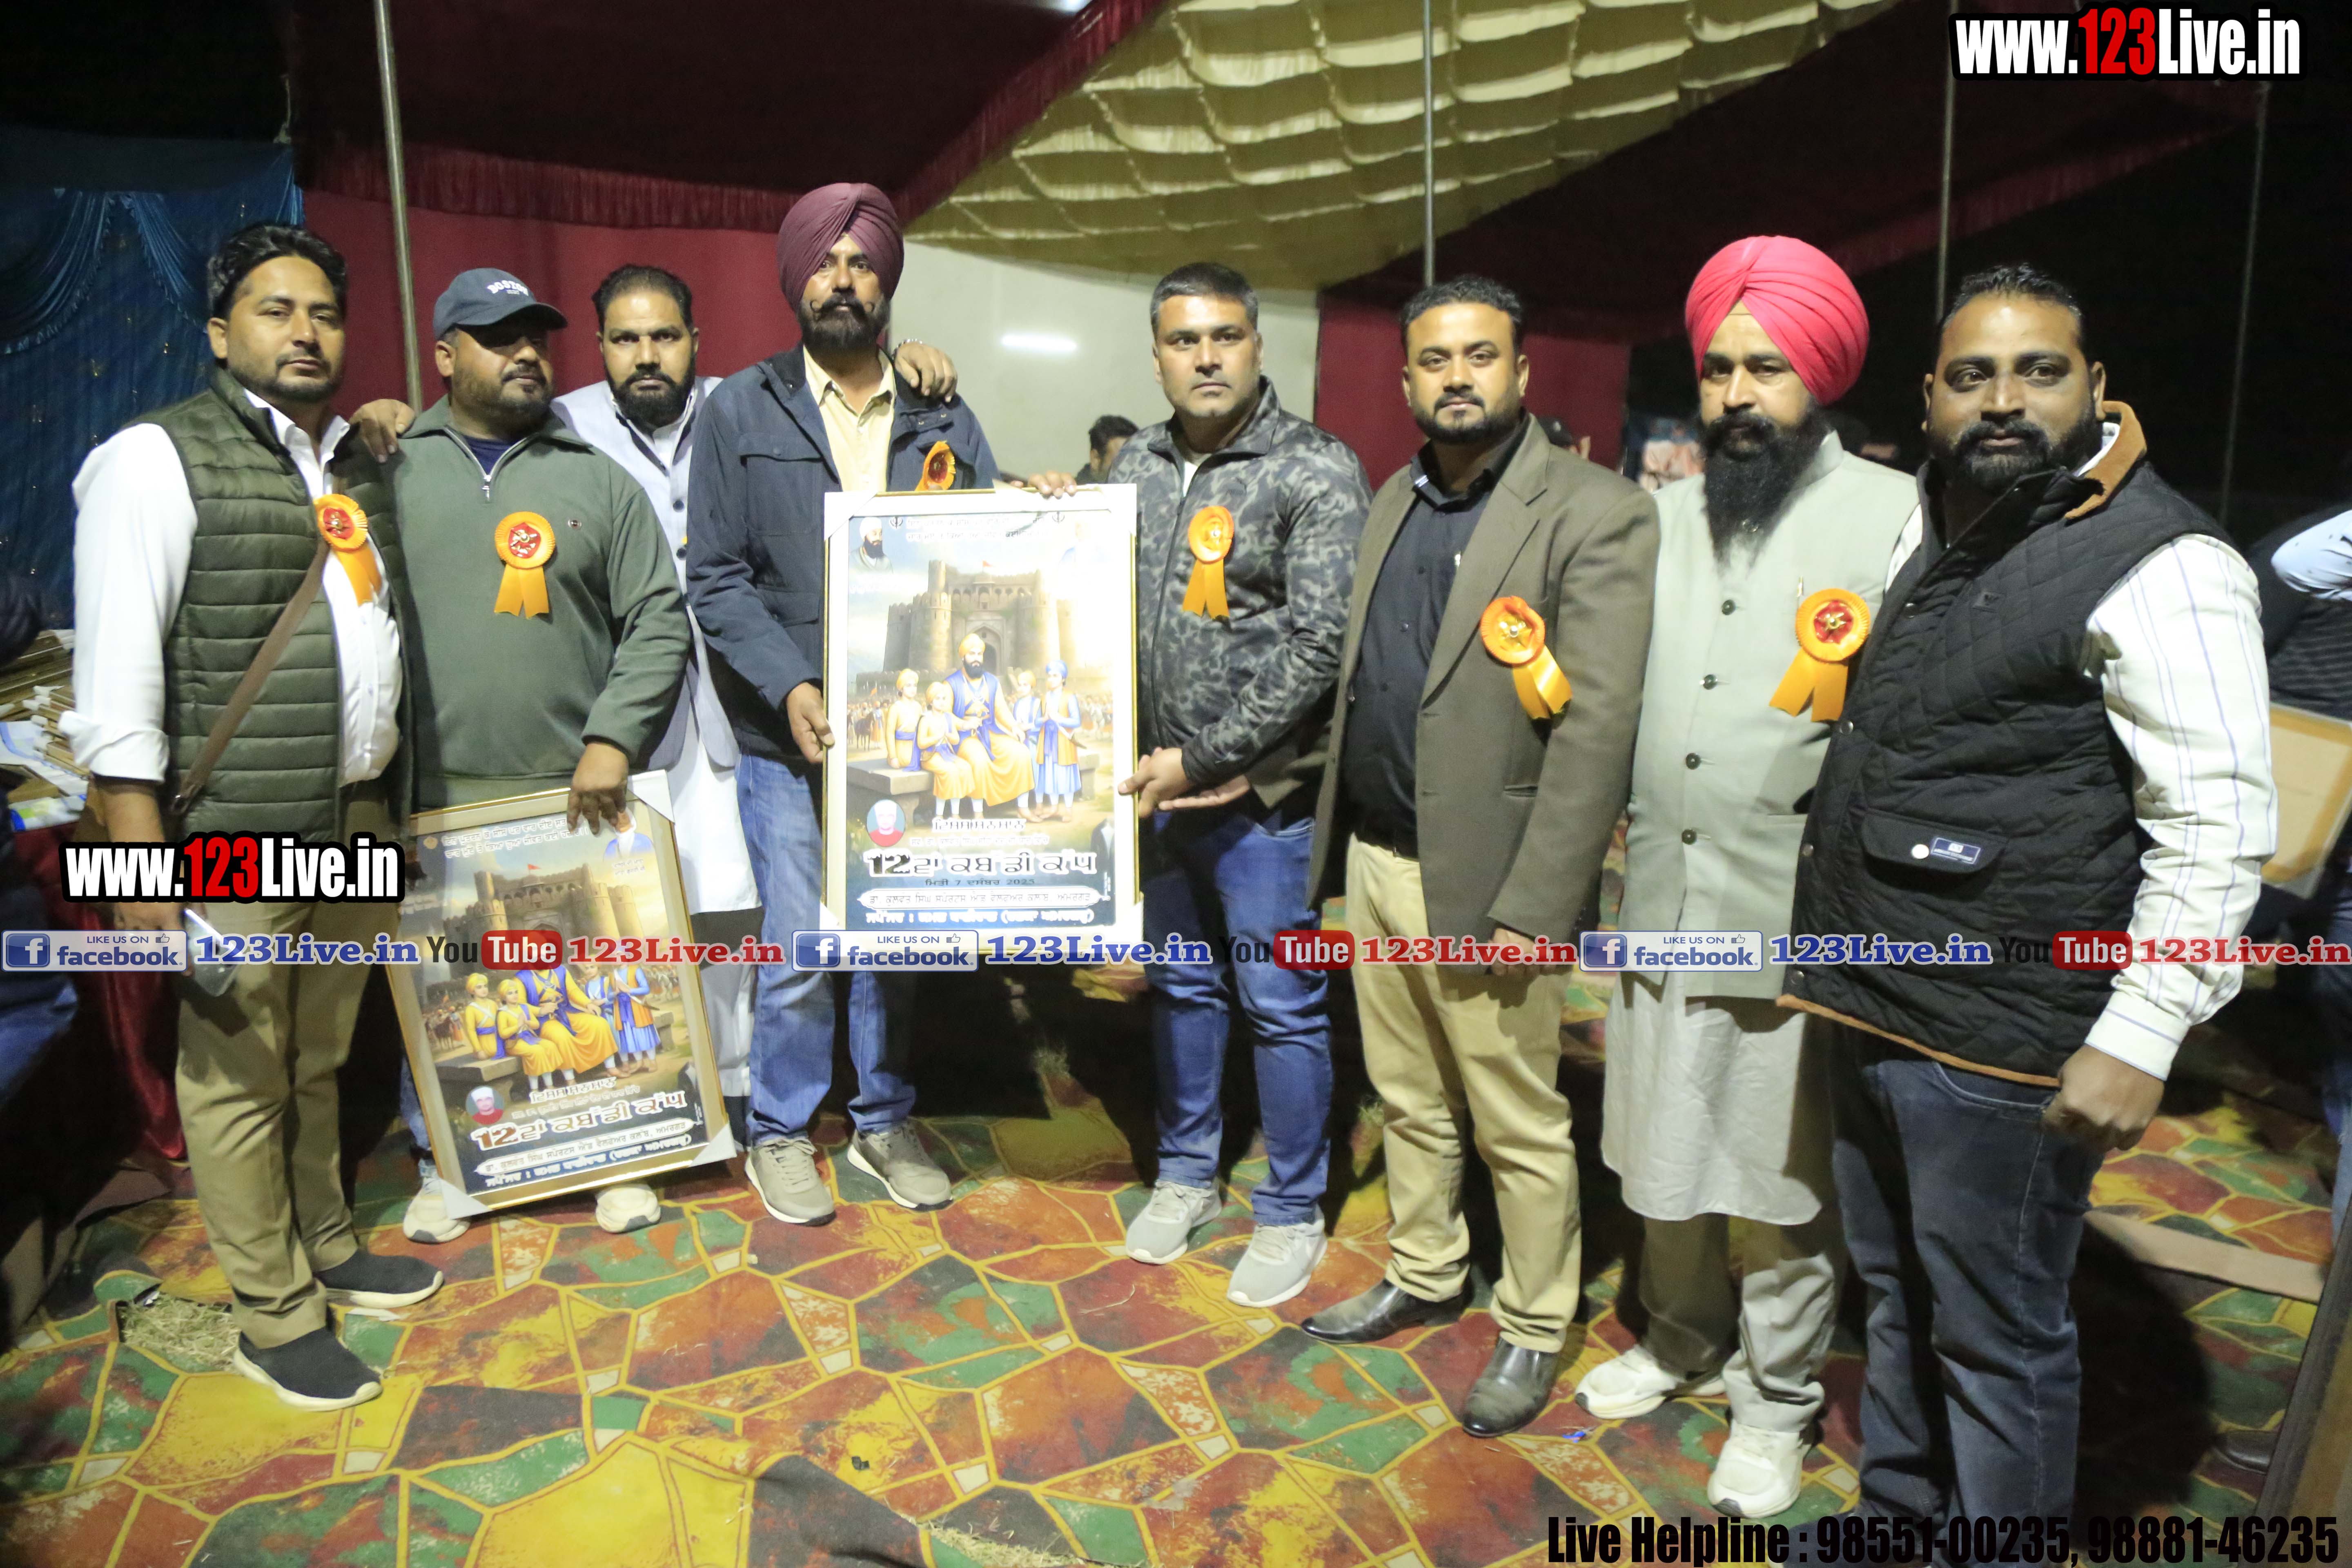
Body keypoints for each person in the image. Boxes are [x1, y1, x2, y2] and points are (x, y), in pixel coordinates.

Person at [1783, 263, 2274, 1528]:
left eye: (2038, 370)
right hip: (1876, 998)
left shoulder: (2166, 561)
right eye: (1973, 375)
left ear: (2096, 385)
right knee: (1896, 1293)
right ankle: (1898, 1521)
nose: (2003, 399)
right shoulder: (1943, 519)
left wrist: (2143, 1031)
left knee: (1997, 1336)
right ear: (1931, 399)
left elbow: (2216, 827)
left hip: (2002, 1039)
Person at [63, 223, 441, 1410]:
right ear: (220, 332)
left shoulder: (352, 462)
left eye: (323, 312)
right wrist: (139, 864)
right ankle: (273, 1314)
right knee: (237, 1072)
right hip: (234, 830)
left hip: (354, 819)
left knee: (318, 1054)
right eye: (276, 311)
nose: (305, 331)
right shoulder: (152, 459)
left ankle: (326, 1244)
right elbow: (115, 681)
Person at [1572, 237, 1913, 1514]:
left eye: (1765, 367)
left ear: (1820, 373)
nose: (1735, 394)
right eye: (1718, 368)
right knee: (1658, 1144)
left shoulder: (1898, 516)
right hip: (1660, 905)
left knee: (1778, 1179)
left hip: (1792, 918)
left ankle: (1774, 1402)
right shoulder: (1659, 517)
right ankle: (1678, 1336)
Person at [1295, 276, 1655, 1436]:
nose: (1458, 377)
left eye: (1480, 355)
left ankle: (1536, 1320)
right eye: (1435, 360)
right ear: (1407, 380)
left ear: (1521, 372)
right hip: (1377, 862)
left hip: (1493, 881)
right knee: (1407, 1098)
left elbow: (1596, 730)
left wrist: (1537, 903)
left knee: (1515, 1118)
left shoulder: (1595, 509)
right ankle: (1424, 1268)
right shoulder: (1393, 497)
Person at [688, 183, 1068, 1223]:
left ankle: (883, 1121)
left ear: (886, 280)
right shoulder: (740, 409)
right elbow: (715, 576)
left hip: (905, 731)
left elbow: (980, 540)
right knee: (801, 948)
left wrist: (1039, 510)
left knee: (894, 941)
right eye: (825, 261)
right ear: (795, 280)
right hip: (787, 738)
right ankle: (780, 1131)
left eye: (861, 262)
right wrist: (792, 683)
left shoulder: (940, 410)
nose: (843, 280)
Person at [382, 265, 692, 1236]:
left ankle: (615, 1151)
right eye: (496, 336)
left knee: (579, 979)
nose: (524, 353)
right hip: (432, 796)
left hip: (574, 794)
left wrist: (612, 738)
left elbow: (658, 619)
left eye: (534, 336)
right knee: (445, 984)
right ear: (444, 356)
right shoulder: (385, 471)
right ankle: (446, 1162)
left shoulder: (596, 479)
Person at [1110, 261, 1371, 1309]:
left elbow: (1319, 648)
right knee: (1182, 985)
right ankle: (1186, 1173)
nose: (1206, 357)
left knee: (1281, 1004)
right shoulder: (1133, 463)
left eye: (1226, 336)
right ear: (1157, 357)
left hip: (1263, 799)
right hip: (1158, 794)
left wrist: (1208, 758)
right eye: (1185, 340)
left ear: (1258, 346)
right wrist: (1050, 509)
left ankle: (1292, 1205)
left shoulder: (1316, 468)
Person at [949, 634, 1038, 817]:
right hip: (966, 737)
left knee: (1021, 753)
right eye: (972, 654)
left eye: (979, 654)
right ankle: (978, 814)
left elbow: (1001, 710)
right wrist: (964, 724)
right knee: (979, 760)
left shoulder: (992, 681)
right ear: (963, 657)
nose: (976, 659)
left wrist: (1014, 727)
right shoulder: (951, 683)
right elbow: (945, 715)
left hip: (991, 732)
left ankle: (1023, 808)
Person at [1036, 660, 1083, 819]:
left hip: (1063, 742)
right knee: (1051, 774)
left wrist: (1059, 719)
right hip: (1048, 742)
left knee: (1065, 776)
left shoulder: (1070, 697)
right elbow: (1038, 721)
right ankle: (1054, 808)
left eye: (1055, 676)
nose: (1051, 679)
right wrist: (1044, 719)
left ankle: (1068, 810)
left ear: (1063, 678)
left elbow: (1076, 721)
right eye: (1049, 676)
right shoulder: (1045, 697)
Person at [1078, 414, 1138, 483]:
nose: (1131, 470)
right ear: (1096, 459)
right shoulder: (1075, 489)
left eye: (1136, 461)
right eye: (1121, 462)